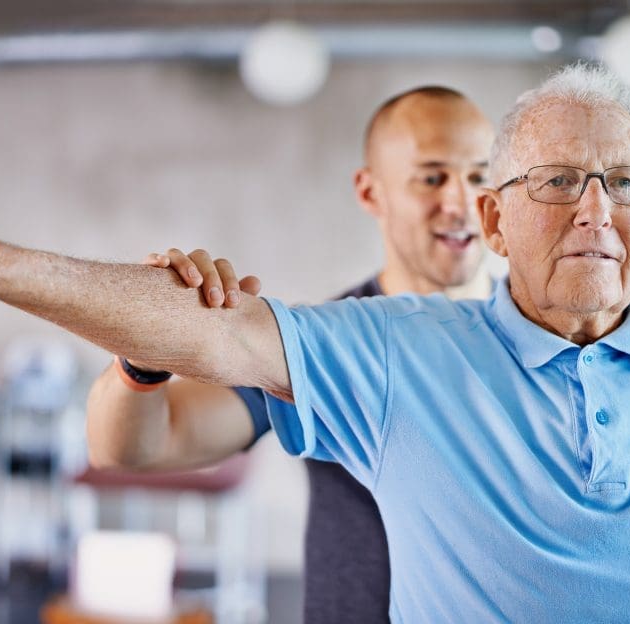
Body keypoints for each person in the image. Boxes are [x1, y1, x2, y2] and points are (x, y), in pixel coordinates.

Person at [0, 63, 630, 622]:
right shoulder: (380, 347)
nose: (594, 211)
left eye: (623, 184)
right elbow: (148, 419)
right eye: (551, 181)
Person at [86, 85, 494, 623]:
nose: (461, 202)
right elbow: (135, 446)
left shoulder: (536, 337)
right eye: (432, 177)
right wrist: (145, 355)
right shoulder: (320, 343)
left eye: (479, 176)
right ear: (371, 193)